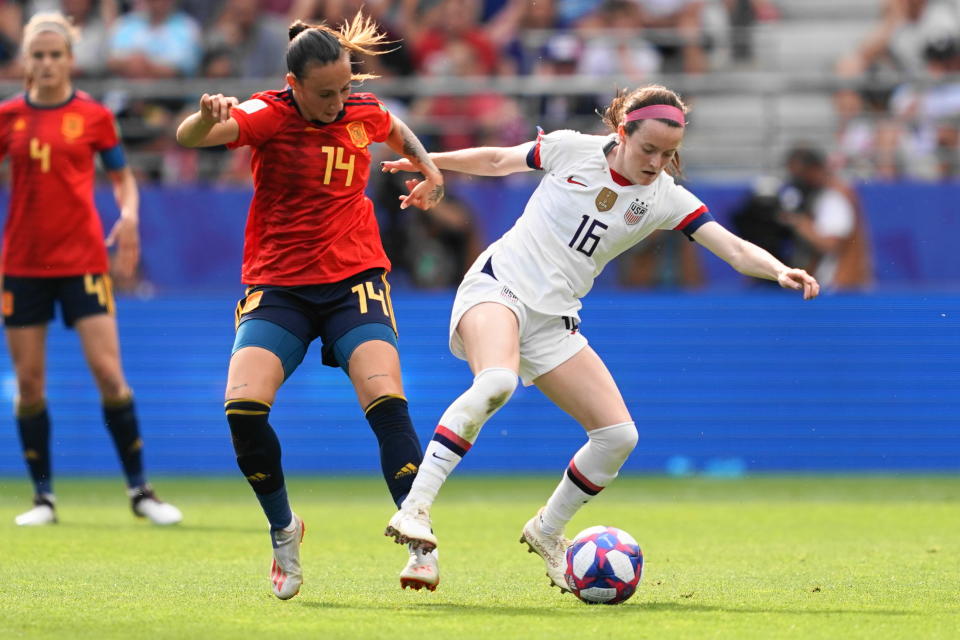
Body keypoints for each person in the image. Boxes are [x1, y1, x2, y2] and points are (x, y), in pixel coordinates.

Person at [382, 84, 819, 591]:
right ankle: (415, 507)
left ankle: (547, 530)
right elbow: (501, 158)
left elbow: (734, 248)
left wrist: (780, 269)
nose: (657, 162)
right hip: (497, 286)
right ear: (621, 133)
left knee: (617, 437)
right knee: (497, 380)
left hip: (553, 319)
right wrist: (428, 160)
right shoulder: (573, 149)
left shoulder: (663, 198)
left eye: (669, 153)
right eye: (649, 149)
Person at [175, 12, 445, 600]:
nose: (338, 102)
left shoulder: (359, 111)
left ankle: (420, 536)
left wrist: (427, 166)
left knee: (387, 400)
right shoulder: (266, 114)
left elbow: (394, 126)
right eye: (326, 93)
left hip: (355, 279)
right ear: (293, 84)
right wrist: (205, 117)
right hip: (280, 286)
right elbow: (189, 139)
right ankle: (283, 531)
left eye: (346, 87)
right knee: (243, 410)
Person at [0, 12, 182, 527]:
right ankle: (43, 499)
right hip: (22, 265)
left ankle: (141, 491)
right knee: (30, 384)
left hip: (83, 261)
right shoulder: (8, 117)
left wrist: (128, 217)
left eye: (56, 54)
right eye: (38, 55)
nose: (48, 63)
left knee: (109, 374)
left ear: (70, 59)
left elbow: (124, 181)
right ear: (27, 62)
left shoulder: (95, 117)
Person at [778, 145, 874, 290]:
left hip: (842, 287)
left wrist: (799, 222)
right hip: (836, 287)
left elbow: (832, 244)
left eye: (801, 174)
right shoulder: (823, 195)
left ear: (815, 169)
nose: (798, 180)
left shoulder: (833, 198)